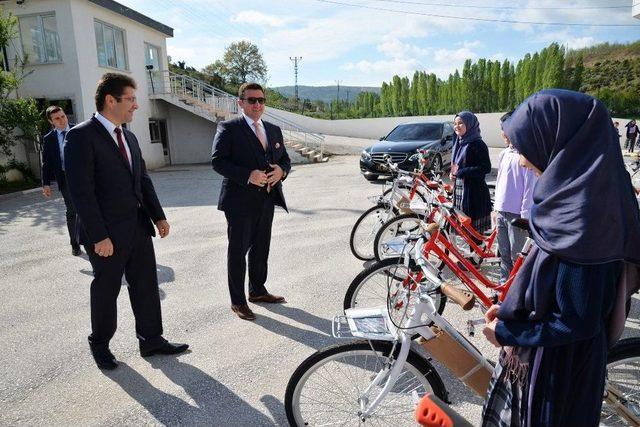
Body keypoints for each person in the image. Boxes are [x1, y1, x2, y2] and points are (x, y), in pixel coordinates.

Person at [482, 89, 640, 426]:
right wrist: (514, 310)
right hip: (556, 362)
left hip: (560, 372)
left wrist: (510, 332)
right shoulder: (580, 194)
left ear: (562, 141)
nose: (523, 161)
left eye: (526, 148)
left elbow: (574, 321)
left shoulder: (585, 219)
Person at [64, 73, 188, 370]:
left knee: (145, 284)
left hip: (137, 226)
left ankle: (151, 339)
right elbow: (81, 192)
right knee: (107, 290)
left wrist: (158, 216)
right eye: (130, 99)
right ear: (111, 100)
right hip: (105, 234)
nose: (135, 106)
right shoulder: (81, 136)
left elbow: (142, 180)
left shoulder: (129, 136)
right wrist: (98, 236)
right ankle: (100, 343)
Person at [211, 82, 291, 321]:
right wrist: (248, 175)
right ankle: (238, 301)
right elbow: (218, 161)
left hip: (266, 199)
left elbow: (285, 159)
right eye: (252, 100)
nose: (257, 104)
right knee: (238, 252)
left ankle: (257, 290)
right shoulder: (229, 128)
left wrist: (281, 172)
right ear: (241, 103)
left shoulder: (273, 130)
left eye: (261, 100)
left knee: (261, 248)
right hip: (239, 202)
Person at [493, 112, 537, 284]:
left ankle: (520, 289)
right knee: (503, 252)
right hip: (502, 212)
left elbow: (529, 188)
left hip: (517, 216)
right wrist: (495, 209)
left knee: (517, 255)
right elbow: (498, 182)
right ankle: (505, 285)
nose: (503, 133)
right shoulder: (504, 154)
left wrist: (525, 217)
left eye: (505, 129)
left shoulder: (525, 155)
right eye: (502, 129)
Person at [41, 106, 81, 256]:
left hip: (84, 176)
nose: (62, 120)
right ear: (51, 121)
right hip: (65, 178)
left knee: (92, 207)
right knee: (72, 211)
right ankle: (75, 243)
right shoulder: (49, 139)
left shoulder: (79, 131)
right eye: (57, 118)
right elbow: (46, 162)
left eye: (63, 116)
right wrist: (45, 183)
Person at [450, 111, 492, 234]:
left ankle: (477, 253)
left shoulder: (477, 144)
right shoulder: (458, 142)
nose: (457, 126)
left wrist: (461, 172)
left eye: (461, 123)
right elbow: (456, 165)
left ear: (470, 125)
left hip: (474, 194)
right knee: (463, 230)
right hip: (460, 191)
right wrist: (453, 173)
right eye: (455, 123)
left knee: (473, 232)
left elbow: (485, 168)